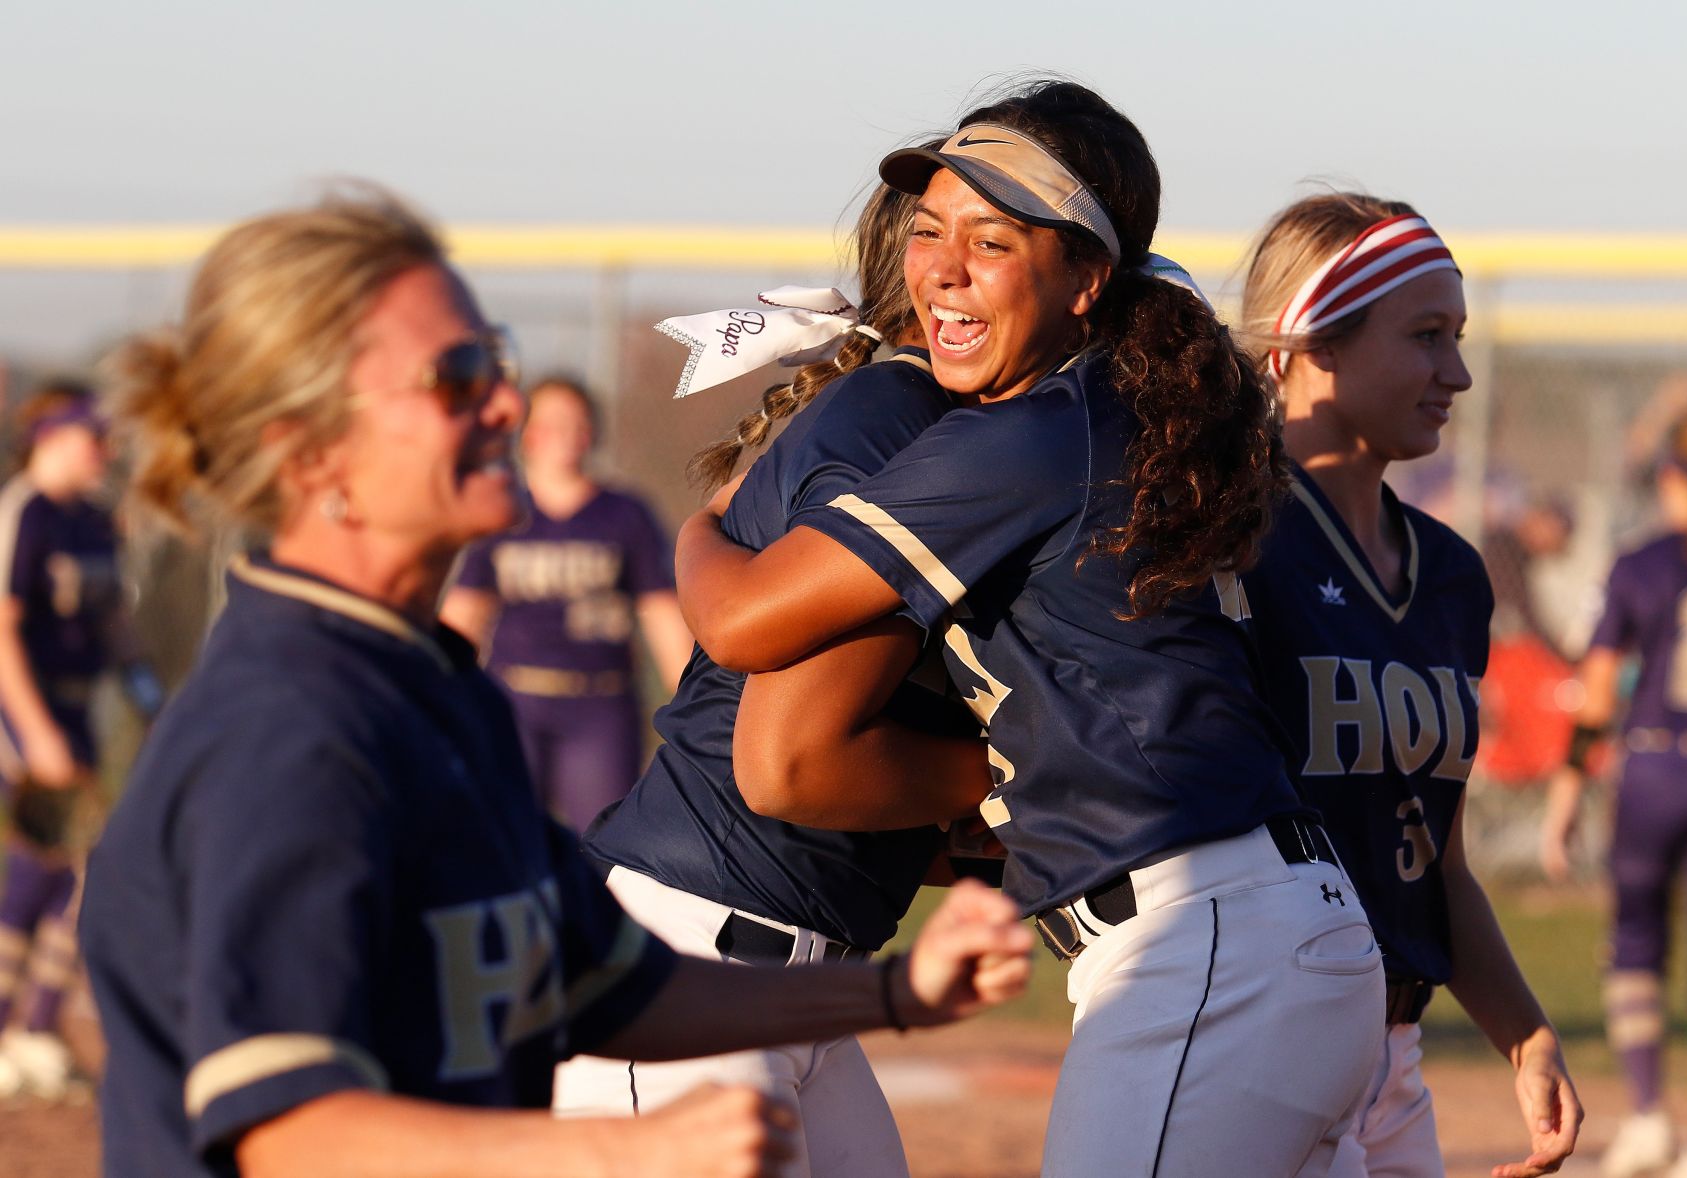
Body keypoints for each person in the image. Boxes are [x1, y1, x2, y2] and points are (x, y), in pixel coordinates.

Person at [76, 189, 1035, 1178]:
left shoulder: (435, 689)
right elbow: (290, 1132)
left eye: (494, 360)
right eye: (454, 377)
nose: (506, 403)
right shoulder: (289, 722)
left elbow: (606, 988)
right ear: (310, 448)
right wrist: (630, 1150)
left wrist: (895, 994)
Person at [672, 80, 1386, 1177]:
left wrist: (704, 523)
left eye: (992, 239)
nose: (944, 268)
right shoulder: (1129, 411)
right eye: (927, 230)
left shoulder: (1033, 432)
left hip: (1202, 945)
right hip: (1272, 932)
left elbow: (744, 621)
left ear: (1089, 279)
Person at [565, 163, 991, 1178]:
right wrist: (1007, 782)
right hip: (697, 956)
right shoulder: (906, 425)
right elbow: (790, 769)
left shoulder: (952, 437)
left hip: (792, 971)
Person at [1236, 192, 1582, 1178]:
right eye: (1426, 336)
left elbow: (1435, 855)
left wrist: (1525, 1035)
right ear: (1312, 340)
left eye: (1459, 336)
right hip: (1257, 1036)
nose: (1457, 372)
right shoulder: (1230, 542)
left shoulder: (1452, 571)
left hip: (1392, 1050)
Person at [1542, 408, 1687, 1178]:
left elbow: (1597, 694)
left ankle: (1645, 1118)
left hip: (1655, 769)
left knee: (1636, 940)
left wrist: (1566, 792)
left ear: (1673, 479)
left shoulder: (1643, 561)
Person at [441, 374, 693, 832]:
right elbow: (464, 615)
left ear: (591, 433)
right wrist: (438, 696)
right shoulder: (504, 508)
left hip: (599, 703)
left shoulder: (624, 513)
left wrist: (694, 704)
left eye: (577, 422)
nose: (566, 434)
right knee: (505, 839)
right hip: (515, 701)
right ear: (528, 434)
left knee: (602, 847)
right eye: (552, 422)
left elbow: (661, 613)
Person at [0, 380, 127, 1100]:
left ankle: (38, 1030)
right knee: (38, 867)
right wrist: (35, 733)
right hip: (25, 707)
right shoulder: (25, 511)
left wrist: (149, 694)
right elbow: (2, 630)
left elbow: (118, 628)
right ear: (51, 436)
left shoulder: (96, 520)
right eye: (92, 436)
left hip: (82, 711)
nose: (105, 451)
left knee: (86, 871)